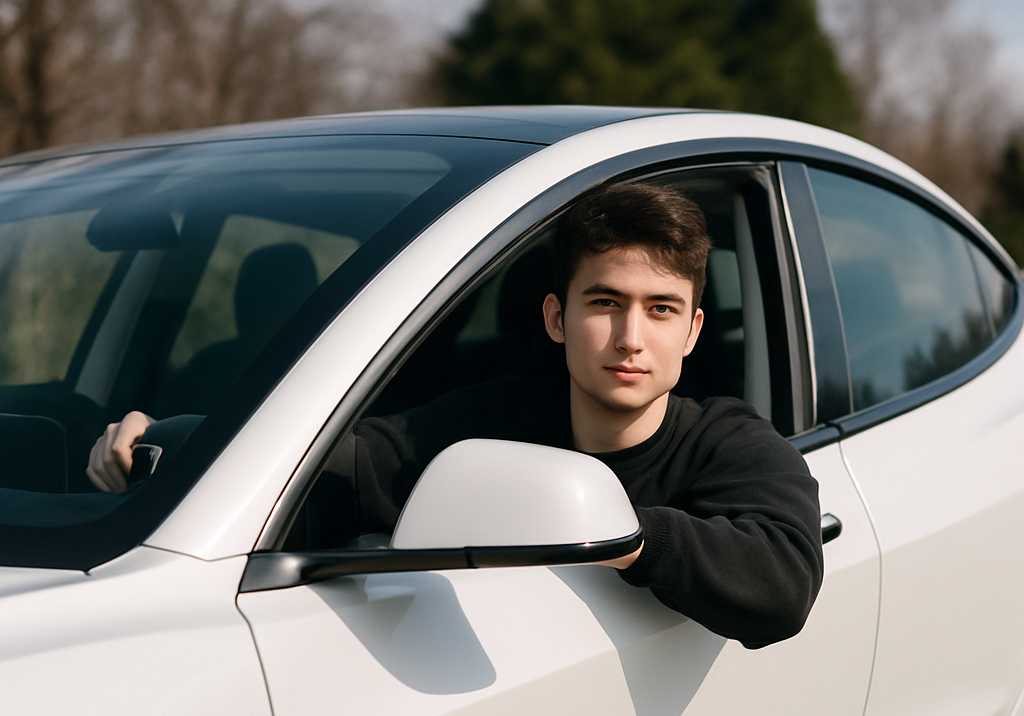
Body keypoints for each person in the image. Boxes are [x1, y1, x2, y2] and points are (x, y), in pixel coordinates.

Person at [88, 181, 823, 649]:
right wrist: (170, 446)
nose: (632, 338)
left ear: (692, 331)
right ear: (556, 317)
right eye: (605, 303)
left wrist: (624, 535)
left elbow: (782, 585)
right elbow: (340, 466)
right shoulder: (490, 420)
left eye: (661, 310)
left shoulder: (729, 441)